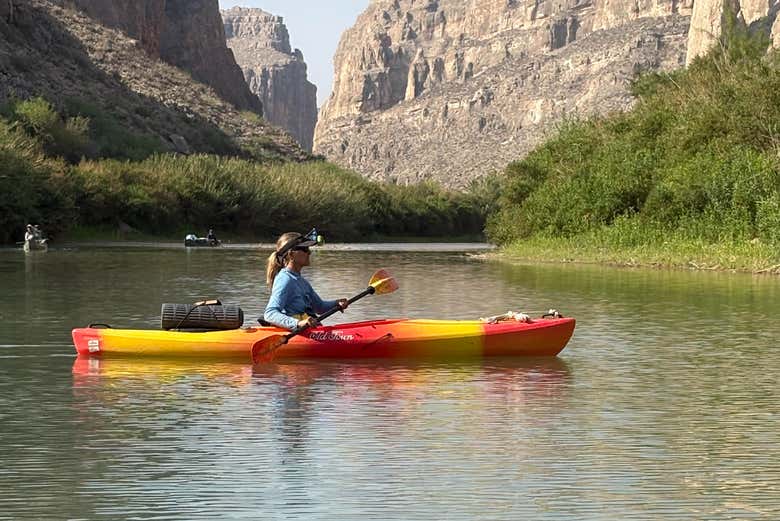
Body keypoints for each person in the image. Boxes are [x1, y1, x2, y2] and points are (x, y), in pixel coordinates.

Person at [264, 231, 348, 331]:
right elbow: (270, 313)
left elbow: (320, 307)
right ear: (291, 255)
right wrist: (298, 323)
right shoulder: (284, 280)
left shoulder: (302, 282)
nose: (309, 252)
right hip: (296, 332)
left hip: (309, 331)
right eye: (304, 249)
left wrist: (336, 304)